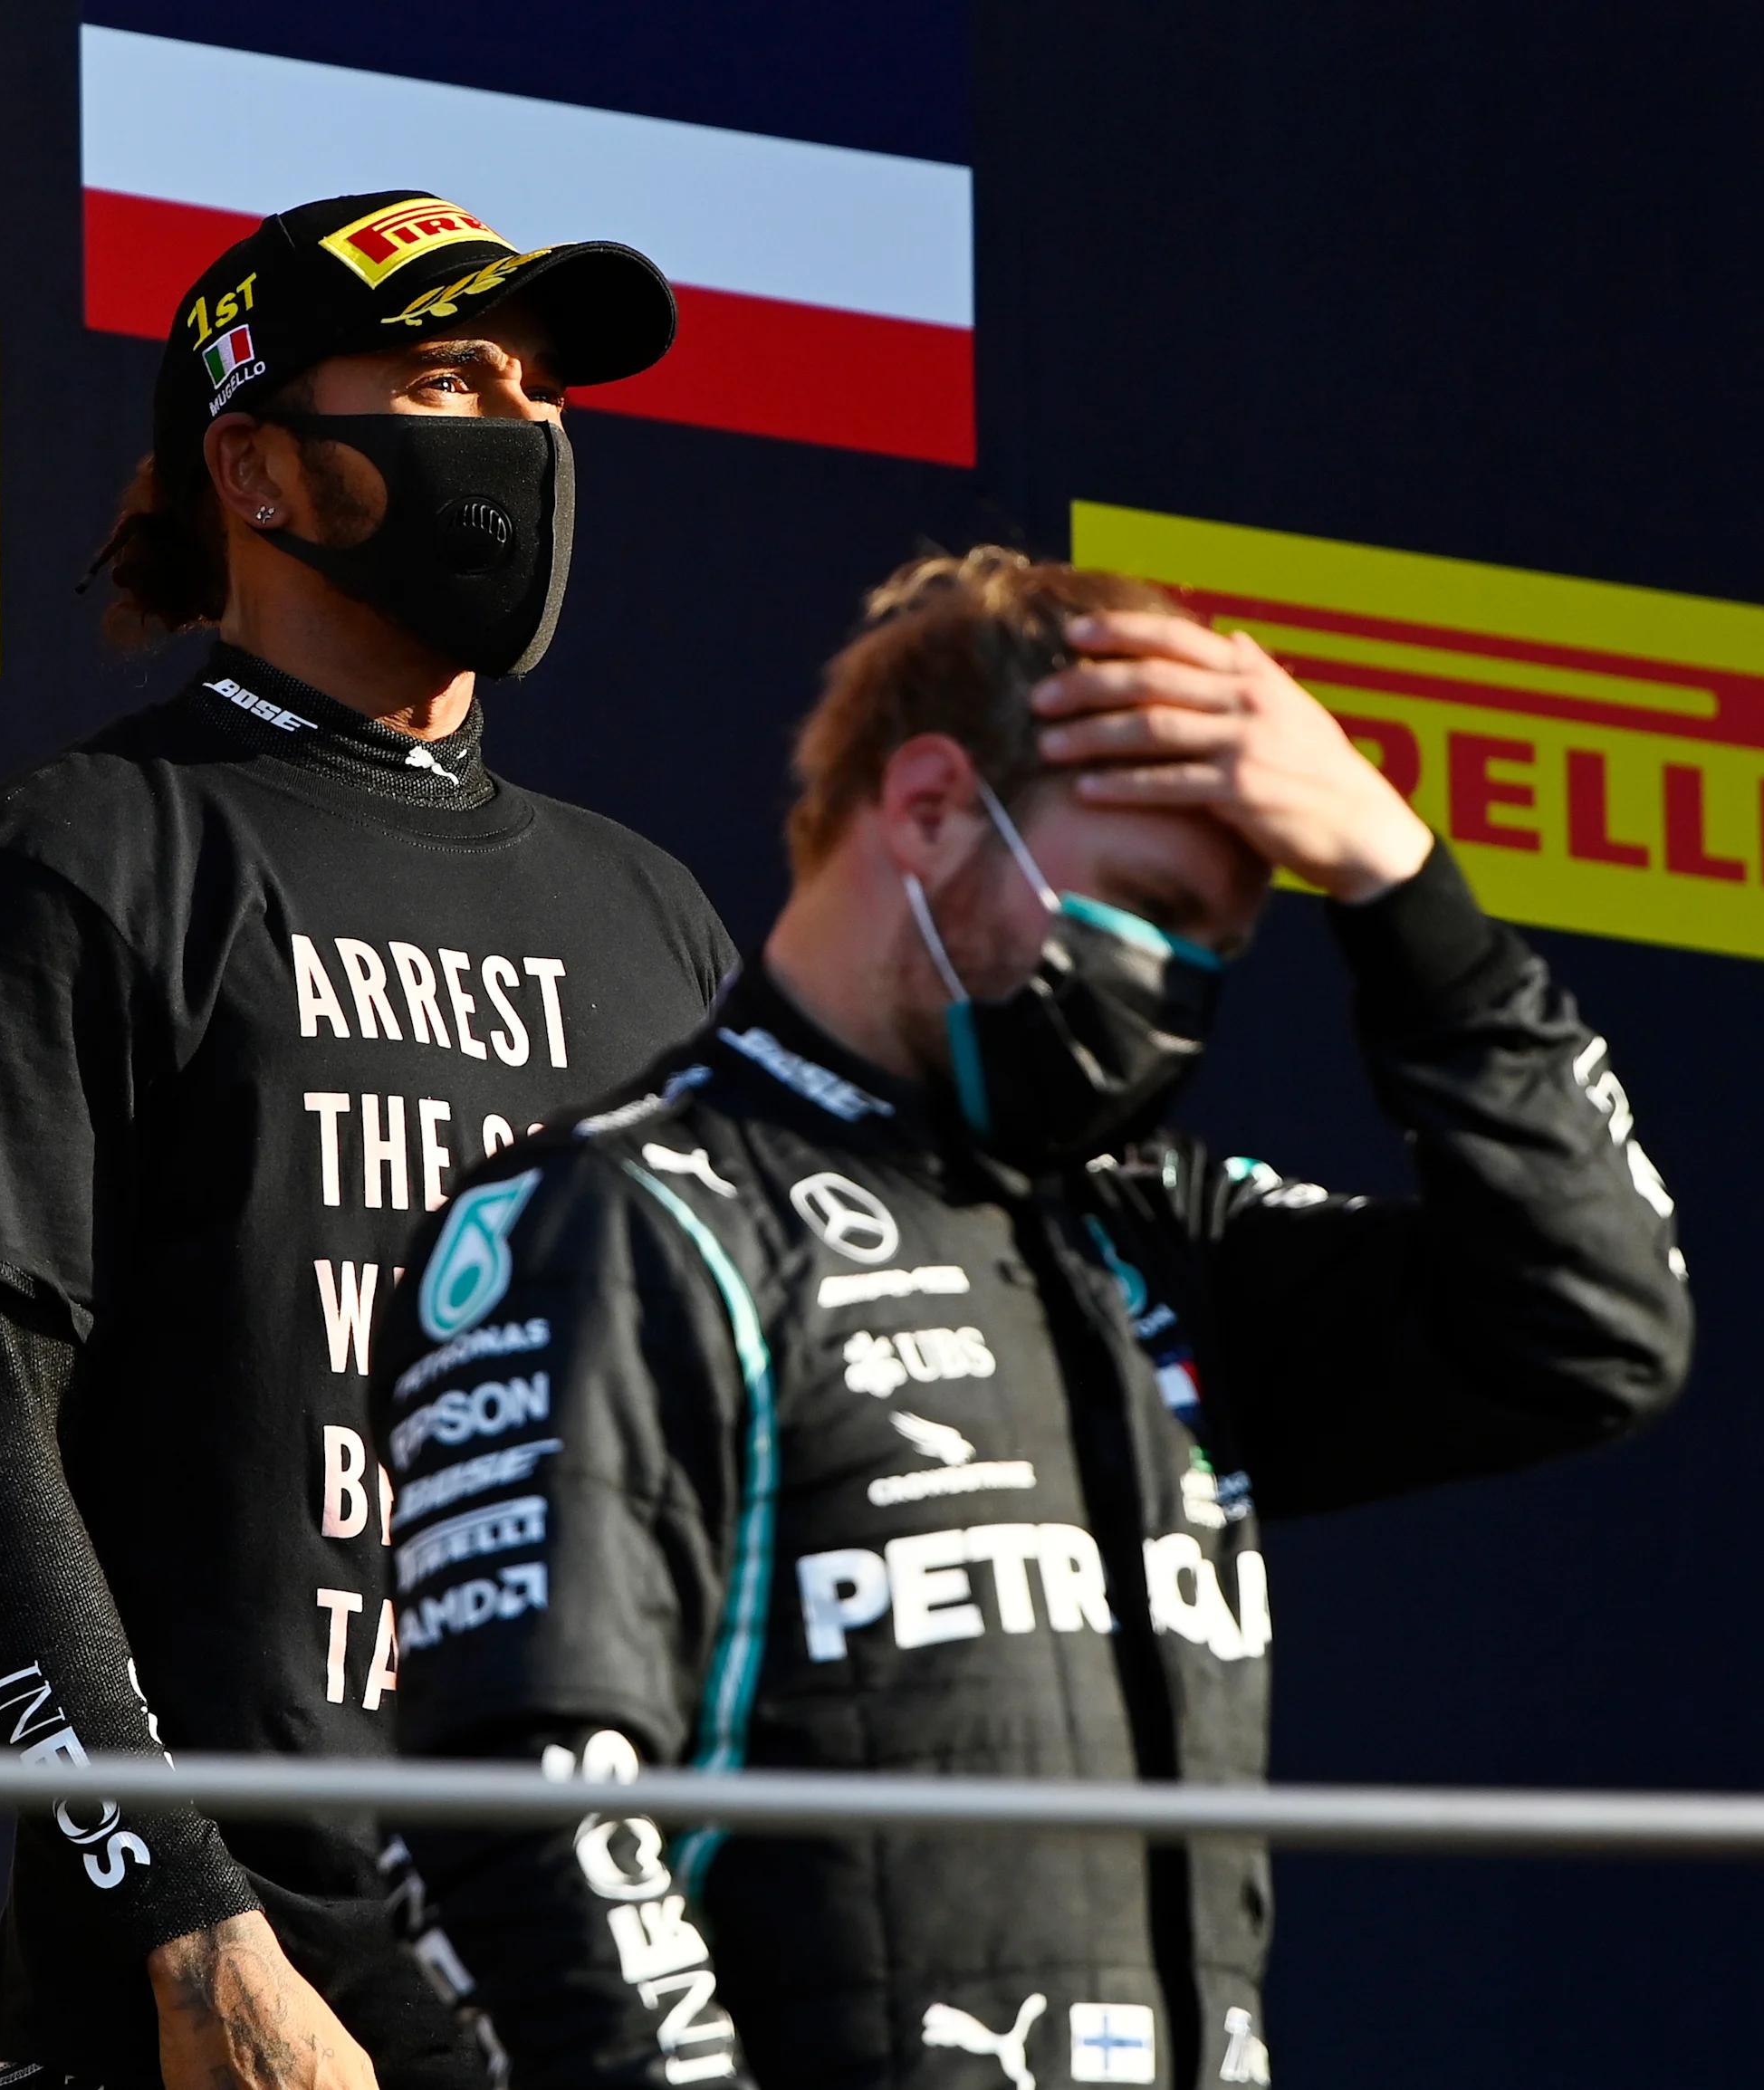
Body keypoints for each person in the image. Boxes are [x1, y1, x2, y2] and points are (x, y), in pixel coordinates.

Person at [371, 550, 1697, 2088]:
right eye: (1143, 904)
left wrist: (1405, 892)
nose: (1179, 981)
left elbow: (1592, 1325)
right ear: (930, 809)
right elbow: (524, 1821)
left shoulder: (1157, 1235)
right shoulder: (625, 1220)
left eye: (1219, 942)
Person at [0, 192, 733, 2090]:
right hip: (202, 2029)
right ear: (253, 461)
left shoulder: (656, 923)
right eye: (441, 377)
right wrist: (185, 1934)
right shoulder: (77, 860)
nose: (519, 433)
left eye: (538, 388)